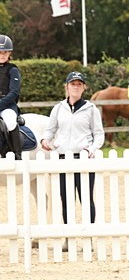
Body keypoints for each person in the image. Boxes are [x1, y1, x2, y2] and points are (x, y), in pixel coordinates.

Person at [40, 71, 104, 226]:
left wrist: (92, 149)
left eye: (79, 84)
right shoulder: (58, 108)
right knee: (66, 199)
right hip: (63, 158)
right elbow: (50, 130)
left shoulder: (91, 109)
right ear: (66, 87)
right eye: (72, 84)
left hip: (84, 159)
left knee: (86, 198)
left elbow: (99, 134)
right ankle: (68, 237)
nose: (75, 87)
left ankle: (88, 235)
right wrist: (45, 139)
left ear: (84, 88)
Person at [0, 34, 24, 159]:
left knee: (9, 122)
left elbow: (14, 92)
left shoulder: (13, 70)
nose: (2, 54)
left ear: (9, 53)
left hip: (7, 106)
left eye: (5, 52)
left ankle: (17, 154)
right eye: (0, 52)